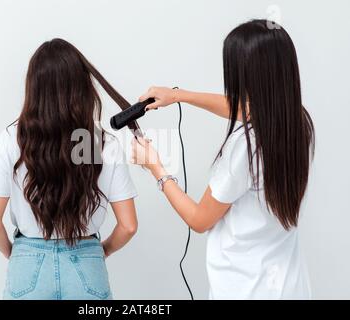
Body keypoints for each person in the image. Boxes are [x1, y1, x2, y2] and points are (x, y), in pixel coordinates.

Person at [131, 20, 315, 299]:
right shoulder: (296, 122)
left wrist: (155, 167)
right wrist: (178, 96)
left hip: (246, 290)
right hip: (290, 288)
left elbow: (200, 220)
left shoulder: (244, 148)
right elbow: (248, 107)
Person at [0, 39, 138, 300]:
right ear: (82, 88)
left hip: (27, 264)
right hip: (87, 264)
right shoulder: (102, 143)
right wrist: (101, 251)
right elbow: (129, 226)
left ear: (33, 87)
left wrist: (20, 254)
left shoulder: (10, 139)